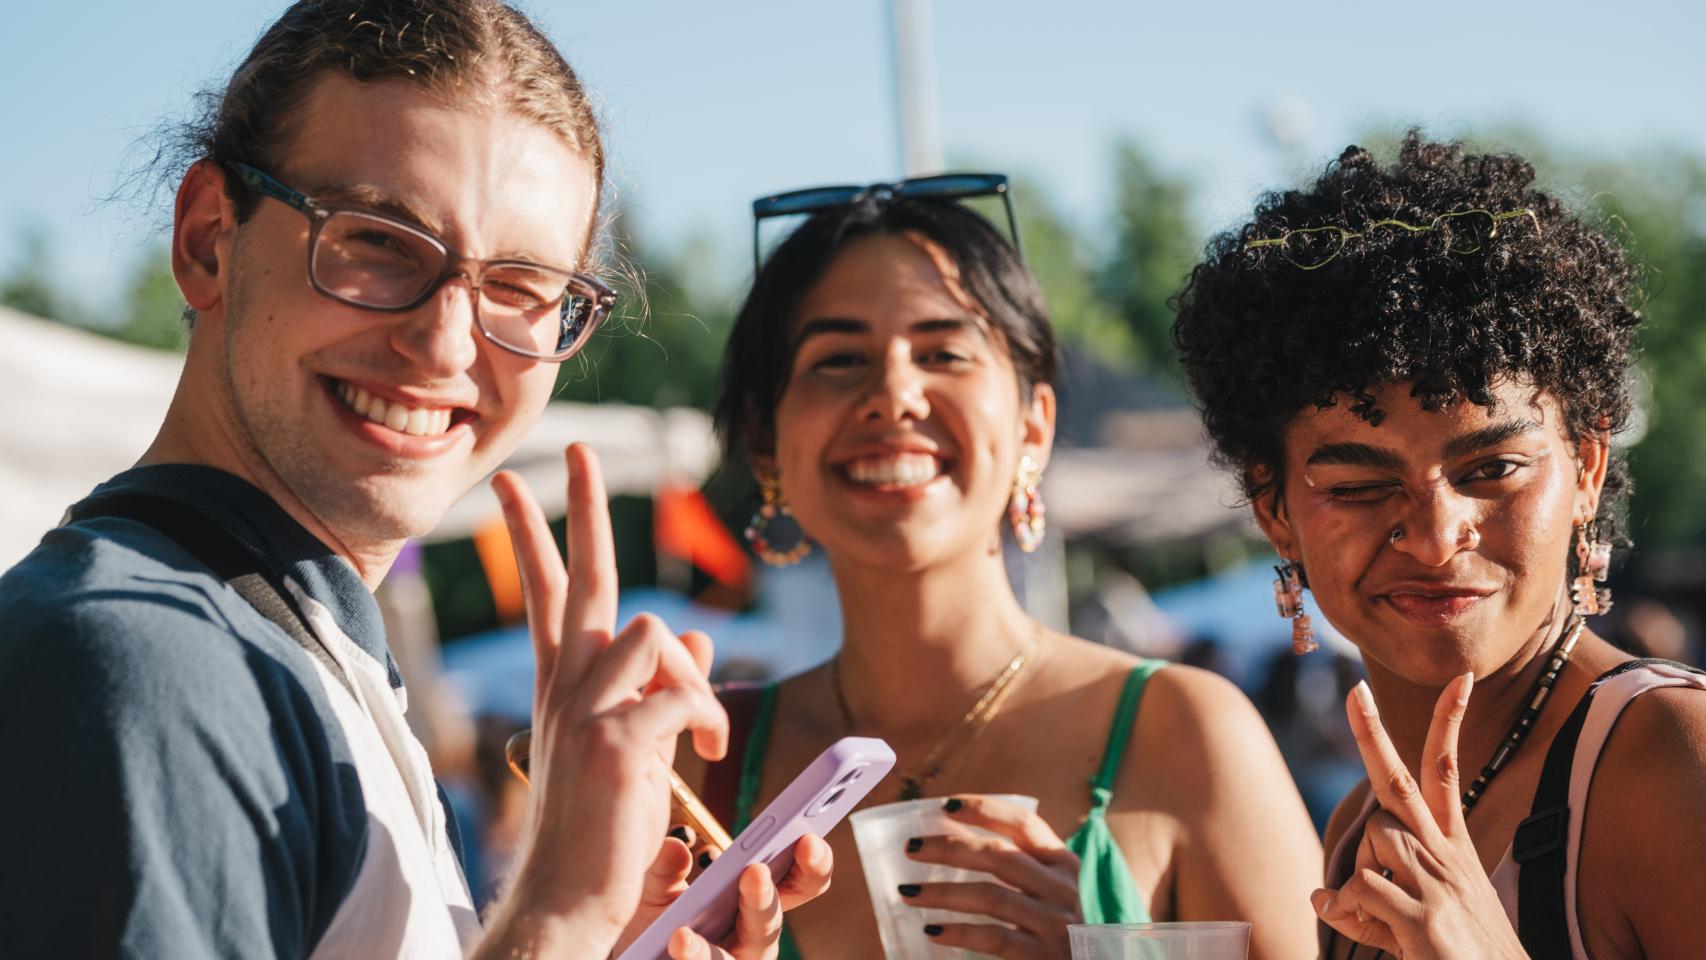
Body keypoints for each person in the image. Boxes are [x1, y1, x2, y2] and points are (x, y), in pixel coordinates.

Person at [0, 3, 828, 957]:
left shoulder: (298, 643)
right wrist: (554, 912)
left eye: (519, 288)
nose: (443, 344)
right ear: (208, 240)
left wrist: (591, 929)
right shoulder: (147, 663)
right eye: (378, 241)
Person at [678, 180, 1322, 959]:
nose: (893, 395)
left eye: (944, 351)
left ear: (1034, 425)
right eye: (839, 358)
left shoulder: (1186, 735)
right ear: (765, 440)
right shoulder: (702, 764)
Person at [1172, 132, 1706, 958]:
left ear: (1587, 470)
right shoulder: (1360, 828)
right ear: (1274, 509)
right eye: (1356, 486)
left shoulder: (1672, 756)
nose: (1431, 536)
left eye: (1492, 468)